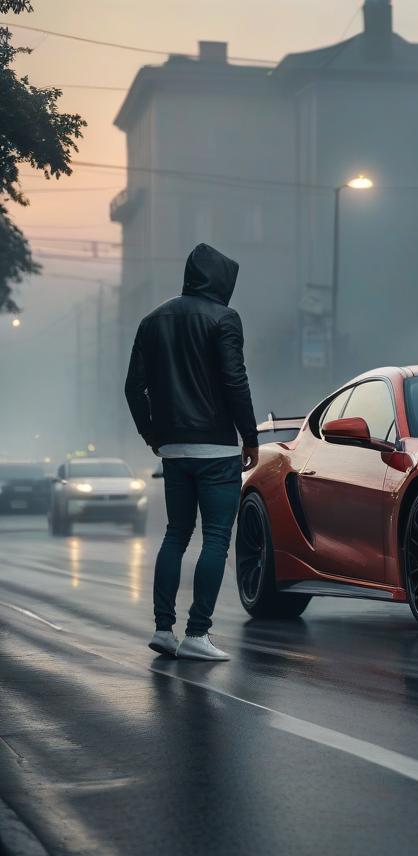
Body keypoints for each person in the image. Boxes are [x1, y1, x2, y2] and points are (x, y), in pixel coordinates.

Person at [125, 243, 259, 660]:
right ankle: (197, 634)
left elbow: (133, 387)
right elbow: (234, 381)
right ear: (221, 281)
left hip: (174, 449)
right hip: (216, 448)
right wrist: (250, 437)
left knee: (176, 535)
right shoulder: (224, 318)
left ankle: (163, 630)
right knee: (216, 538)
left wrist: (152, 434)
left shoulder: (153, 320)